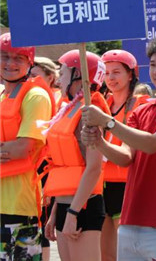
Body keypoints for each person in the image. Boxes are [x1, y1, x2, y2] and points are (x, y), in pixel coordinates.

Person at [80, 34, 156, 261]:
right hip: (130, 219)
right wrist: (99, 142)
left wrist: (107, 122)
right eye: (153, 64)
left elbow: (152, 144)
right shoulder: (141, 111)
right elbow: (126, 157)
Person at [43, 50, 110, 261]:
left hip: (84, 206)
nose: (58, 79)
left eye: (62, 73)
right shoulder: (69, 109)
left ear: (78, 76)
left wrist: (72, 213)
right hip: (65, 205)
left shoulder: (90, 113)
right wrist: (56, 212)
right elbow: (65, 169)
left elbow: (94, 168)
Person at [0, 33, 54, 261]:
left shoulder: (36, 95)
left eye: (18, 58)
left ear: (29, 62)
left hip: (19, 205)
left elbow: (23, 148)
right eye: (4, 56)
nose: (10, 63)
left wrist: (9, 149)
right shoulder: (2, 95)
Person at [100, 50, 149, 261]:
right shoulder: (101, 104)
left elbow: (135, 150)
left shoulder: (141, 105)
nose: (110, 78)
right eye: (106, 72)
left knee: (128, 254)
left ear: (131, 75)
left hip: (129, 186)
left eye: (116, 72)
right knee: (106, 255)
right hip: (101, 186)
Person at [28, 55, 60, 261]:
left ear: (50, 77)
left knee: (44, 219)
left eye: (35, 75)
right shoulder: (28, 96)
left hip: (50, 165)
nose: (31, 79)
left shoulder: (57, 97)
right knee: (39, 220)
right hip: (34, 163)